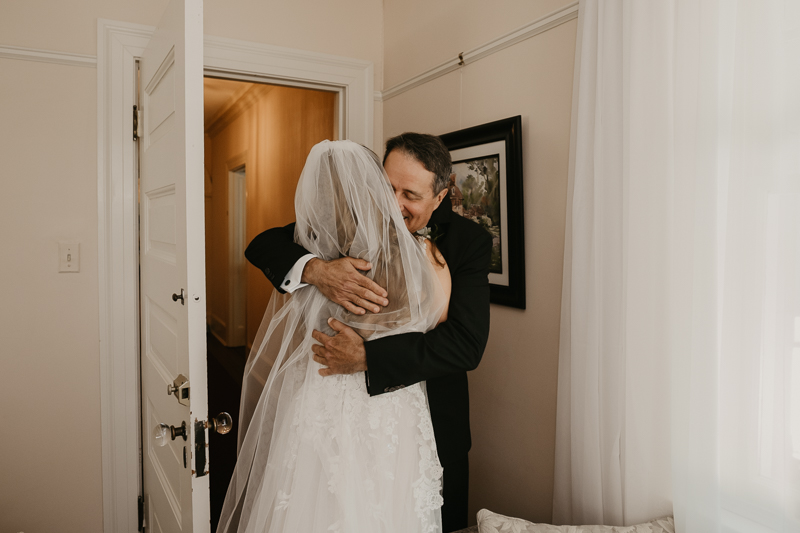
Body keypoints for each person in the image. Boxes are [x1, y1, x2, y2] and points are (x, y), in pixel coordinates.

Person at [245, 133, 492, 532]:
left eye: (409, 194)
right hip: (339, 418)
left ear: (441, 196)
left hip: (430, 421)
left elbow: (465, 345)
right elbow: (264, 244)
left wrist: (367, 358)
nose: (393, 203)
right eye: (386, 186)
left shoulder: (469, 242)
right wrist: (317, 270)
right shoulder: (355, 221)